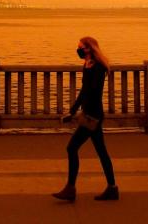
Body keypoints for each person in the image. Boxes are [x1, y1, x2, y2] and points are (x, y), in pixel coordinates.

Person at [52, 36, 118, 202]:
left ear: (89, 48)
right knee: (102, 152)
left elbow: (92, 90)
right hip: (89, 113)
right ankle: (112, 188)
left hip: (92, 115)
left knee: (72, 148)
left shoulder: (98, 67)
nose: (78, 49)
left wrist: (82, 113)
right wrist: (73, 110)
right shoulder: (88, 65)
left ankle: (70, 189)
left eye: (81, 47)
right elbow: (83, 91)